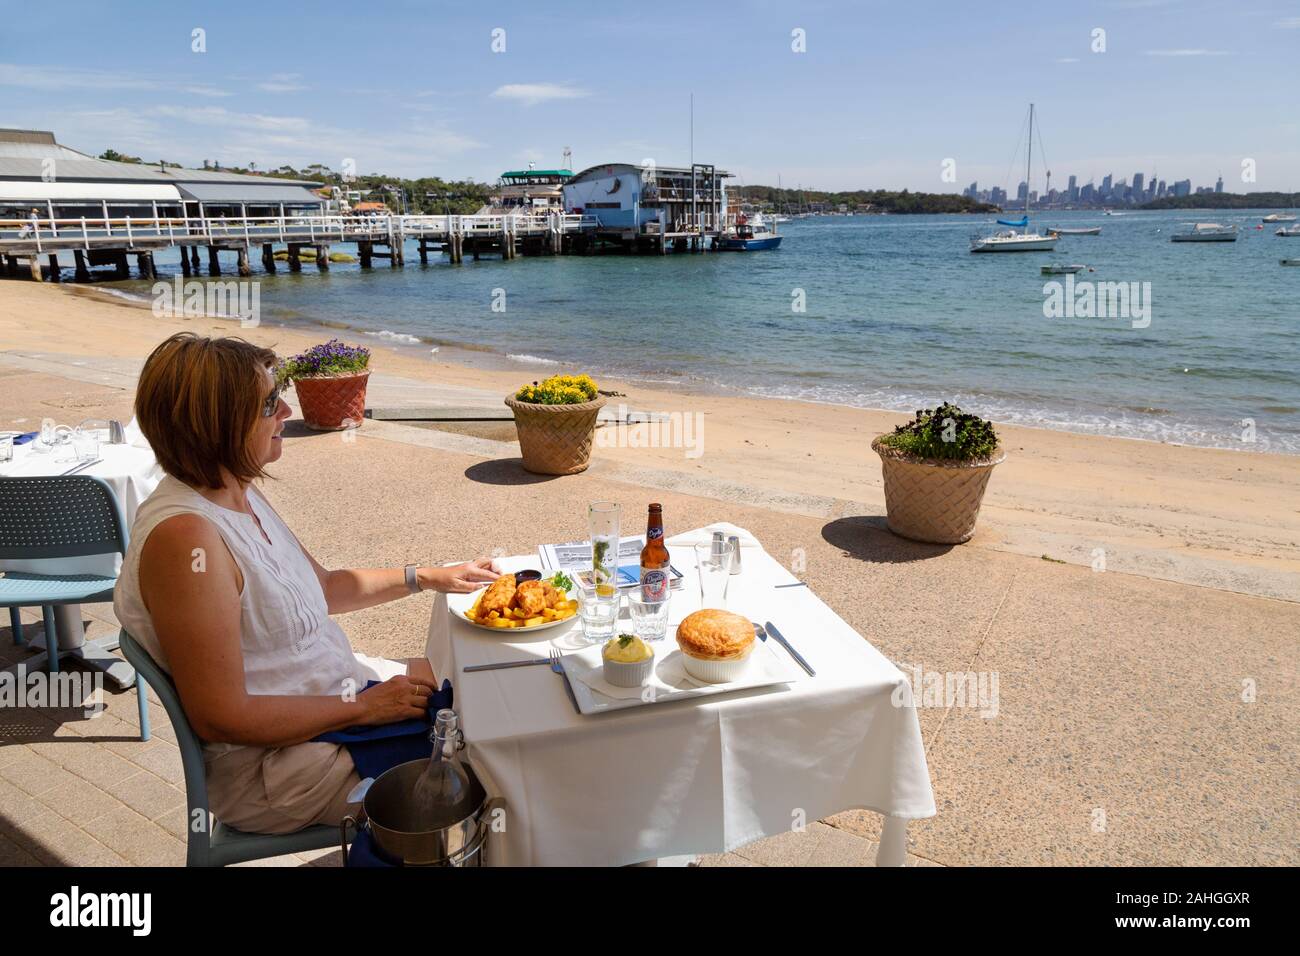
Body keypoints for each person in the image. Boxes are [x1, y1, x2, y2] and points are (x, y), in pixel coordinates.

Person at [113, 333, 501, 834]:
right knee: (493, 761)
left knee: (476, 686)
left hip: (330, 707)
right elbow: (220, 715)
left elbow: (325, 588)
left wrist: (425, 577)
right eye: (270, 402)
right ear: (219, 424)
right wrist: (361, 709)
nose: (286, 410)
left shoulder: (236, 491)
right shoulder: (186, 539)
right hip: (279, 769)